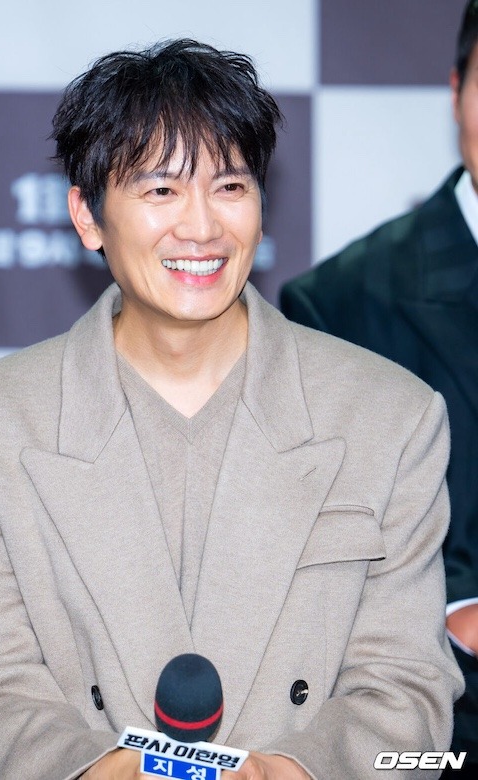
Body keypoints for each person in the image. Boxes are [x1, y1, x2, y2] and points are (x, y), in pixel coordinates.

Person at [0, 39, 463, 780]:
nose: (201, 228)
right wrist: (107, 772)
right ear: (87, 216)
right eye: (161, 190)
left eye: (230, 186)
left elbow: (408, 690)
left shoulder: (390, 419)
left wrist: (285, 773)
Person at [280, 2, 478, 774]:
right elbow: (326, 539)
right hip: (448, 723)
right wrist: (456, 610)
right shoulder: (340, 302)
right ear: (456, 90)